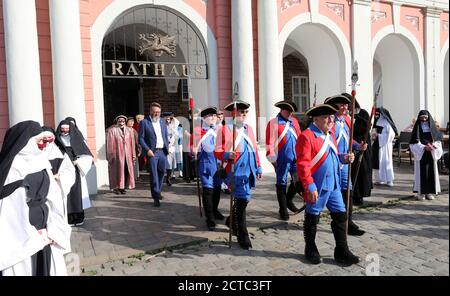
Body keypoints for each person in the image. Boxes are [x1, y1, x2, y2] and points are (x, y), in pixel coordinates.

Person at [0, 121, 72, 276]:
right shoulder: (13, 168)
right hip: (24, 236)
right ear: (24, 142)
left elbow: (54, 198)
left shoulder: (41, 162)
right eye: (39, 141)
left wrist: (55, 231)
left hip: (47, 231)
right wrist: (35, 238)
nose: (43, 145)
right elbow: (11, 212)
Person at [296, 104, 360, 266]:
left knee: (341, 216)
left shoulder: (329, 134)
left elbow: (332, 155)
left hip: (334, 185)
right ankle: (310, 248)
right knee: (312, 218)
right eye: (326, 117)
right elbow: (303, 164)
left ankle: (342, 251)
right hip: (318, 186)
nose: (331, 120)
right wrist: (310, 186)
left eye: (331, 117)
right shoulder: (307, 136)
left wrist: (343, 158)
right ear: (316, 119)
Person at [215, 101, 262, 250]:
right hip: (235, 171)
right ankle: (243, 235)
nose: (244, 114)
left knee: (243, 201)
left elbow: (254, 148)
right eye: (241, 111)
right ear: (233, 113)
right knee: (242, 201)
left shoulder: (249, 129)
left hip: (249, 169)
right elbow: (217, 151)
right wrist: (227, 154)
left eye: (245, 112)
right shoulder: (224, 129)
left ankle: (231, 221)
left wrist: (259, 166)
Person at [324, 94, 367, 236]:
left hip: (346, 164)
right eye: (342, 105)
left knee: (347, 192)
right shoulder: (330, 122)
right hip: (335, 162)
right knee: (330, 194)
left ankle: (348, 221)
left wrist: (358, 146)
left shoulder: (346, 121)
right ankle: (340, 221)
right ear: (335, 106)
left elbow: (349, 141)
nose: (345, 108)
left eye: (347, 105)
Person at [266, 100, 302, 221]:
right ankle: (283, 208)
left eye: (291, 111)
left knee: (298, 180)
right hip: (281, 159)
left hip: (296, 158)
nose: (290, 113)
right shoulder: (274, 123)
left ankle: (288, 200)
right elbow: (269, 143)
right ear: (281, 110)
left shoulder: (294, 121)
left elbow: (300, 138)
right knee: (281, 183)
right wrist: (272, 159)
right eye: (287, 110)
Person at [56, 119, 93, 226]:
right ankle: (68, 217)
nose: (64, 131)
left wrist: (78, 161)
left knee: (77, 193)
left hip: (76, 169)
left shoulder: (77, 140)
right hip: (63, 170)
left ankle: (78, 217)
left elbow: (87, 156)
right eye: (62, 129)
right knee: (66, 193)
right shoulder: (57, 141)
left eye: (67, 129)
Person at [195, 107, 224, 231]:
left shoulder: (220, 130)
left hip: (218, 166)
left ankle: (215, 210)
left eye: (214, 115)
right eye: (209, 116)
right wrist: (193, 150)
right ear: (204, 118)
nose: (212, 117)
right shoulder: (198, 131)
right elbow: (192, 148)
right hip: (206, 166)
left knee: (217, 190)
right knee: (208, 192)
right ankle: (210, 218)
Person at [41, 127, 76, 221]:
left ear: (54, 138)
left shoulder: (61, 153)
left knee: (56, 214)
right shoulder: (36, 153)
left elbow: (69, 171)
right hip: (40, 189)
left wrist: (60, 176)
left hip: (57, 188)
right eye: (44, 138)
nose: (47, 141)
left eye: (50, 137)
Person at [139, 102, 169, 207]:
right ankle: (156, 196)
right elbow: (141, 138)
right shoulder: (144, 122)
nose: (157, 114)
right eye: (155, 112)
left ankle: (158, 191)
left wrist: (167, 147)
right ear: (150, 111)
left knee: (161, 172)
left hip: (163, 152)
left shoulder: (162, 121)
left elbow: (165, 135)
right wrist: (147, 150)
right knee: (154, 175)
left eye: (158, 112)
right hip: (152, 152)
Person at [409, 110, 443, 200]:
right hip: (422, 153)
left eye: (425, 118)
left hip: (431, 153)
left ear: (428, 118)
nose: (424, 119)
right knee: (422, 173)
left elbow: (437, 140)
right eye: (422, 118)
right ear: (419, 118)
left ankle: (429, 192)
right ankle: (421, 193)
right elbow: (413, 143)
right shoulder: (417, 128)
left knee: (431, 173)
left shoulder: (432, 128)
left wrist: (434, 146)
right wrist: (423, 147)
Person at [106, 115, 136, 194]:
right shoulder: (112, 130)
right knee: (116, 170)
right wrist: (110, 155)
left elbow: (132, 143)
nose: (121, 122)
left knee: (126, 169)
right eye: (119, 121)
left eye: (123, 121)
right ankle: (116, 187)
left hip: (127, 154)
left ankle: (123, 187)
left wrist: (133, 154)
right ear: (117, 121)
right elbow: (109, 144)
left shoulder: (130, 130)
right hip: (116, 154)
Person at [351, 108, 373, 205]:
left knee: (361, 174)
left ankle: (359, 196)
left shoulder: (361, 117)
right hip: (356, 150)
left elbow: (361, 129)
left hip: (362, 150)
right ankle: (355, 196)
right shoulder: (347, 116)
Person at [372, 107, 398, 186]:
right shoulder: (377, 121)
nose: (377, 115)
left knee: (386, 161)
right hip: (377, 143)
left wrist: (379, 136)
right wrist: (373, 135)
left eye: (378, 114)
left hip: (385, 145)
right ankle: (379, 179)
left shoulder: (387, 123)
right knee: (377, 161)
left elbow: (391, 135)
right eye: (376, 114)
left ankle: (389, 180)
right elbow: (374, 130)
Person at [163, 112, 179, 186]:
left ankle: (168, 179)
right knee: (163, 163)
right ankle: (162, 176)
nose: (167, 120)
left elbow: (176, 135)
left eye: (169, 119)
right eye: (166, 118)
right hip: (163, 147)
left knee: (170, 163)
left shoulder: (173, 126)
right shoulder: (161, 126)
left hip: (171, 146)